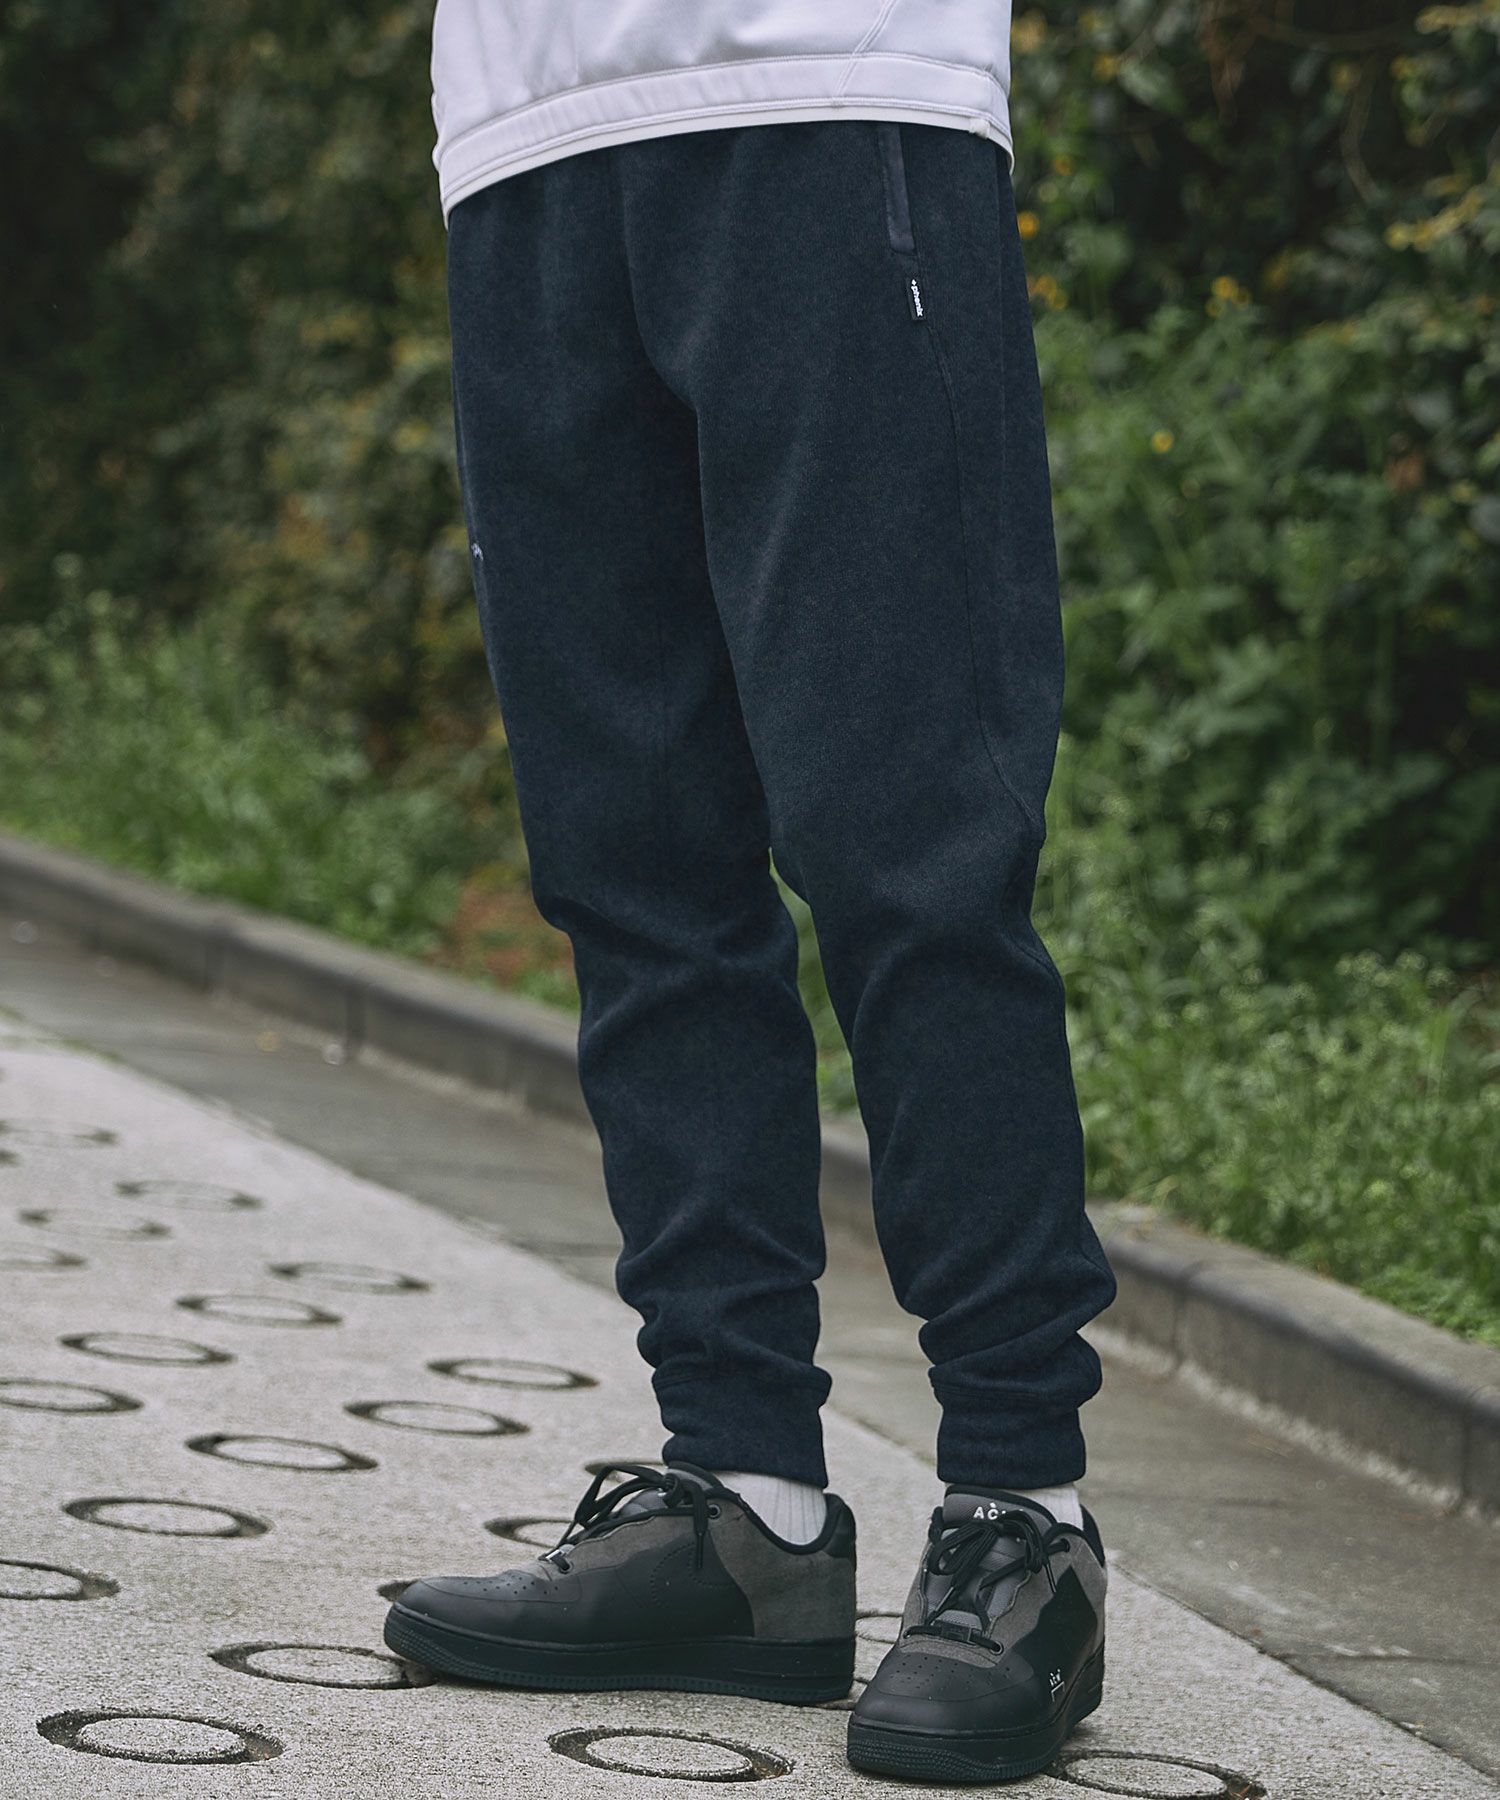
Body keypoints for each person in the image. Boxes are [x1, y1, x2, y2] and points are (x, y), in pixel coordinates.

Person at [384, 1, 1119, 1780]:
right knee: (632, 866)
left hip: (830, 86)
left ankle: (1025, 1510)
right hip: (523, 139)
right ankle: (745, 1506)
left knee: (910, 847)